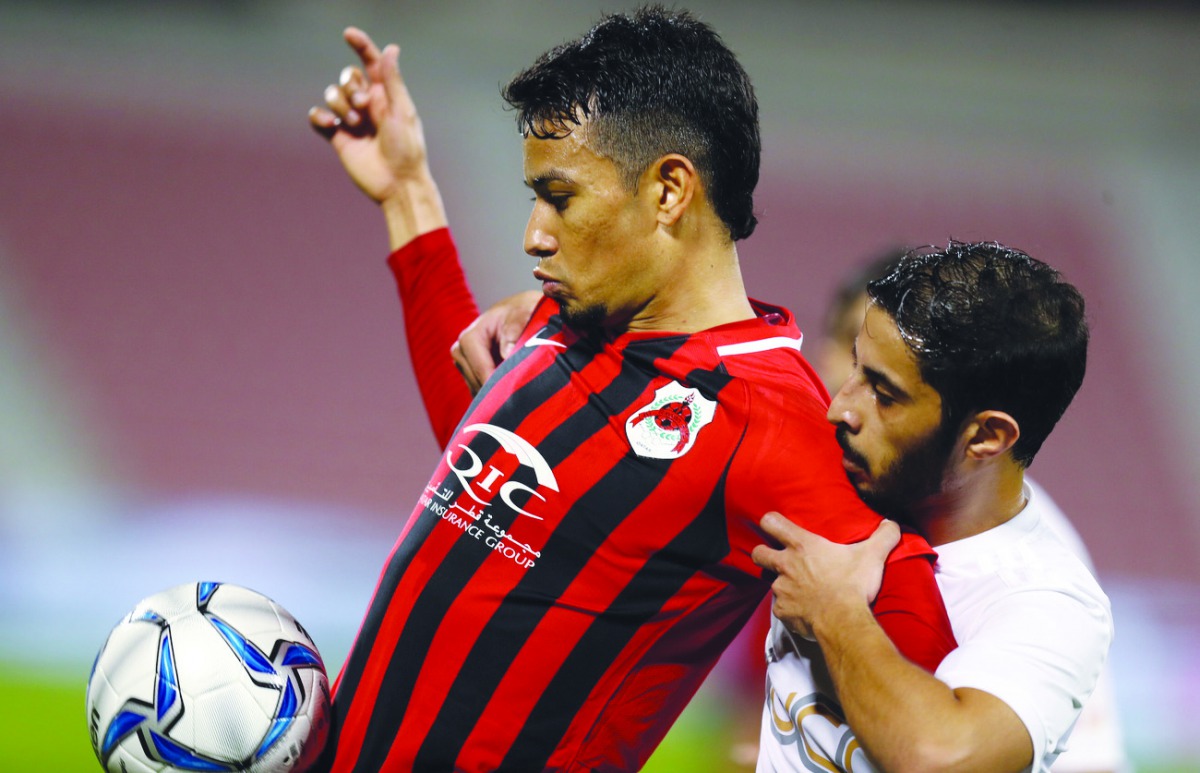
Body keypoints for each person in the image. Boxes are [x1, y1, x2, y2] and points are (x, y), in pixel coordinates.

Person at [306, 8, 955, 772]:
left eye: (561, 197)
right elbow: (488, 464)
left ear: (670, 189)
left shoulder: (770, 423)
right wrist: (407, 193)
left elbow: (934, 689)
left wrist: (854, 616)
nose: (534, 235)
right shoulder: (569, 314)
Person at [751, 242, 1113, 771]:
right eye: (856, 367)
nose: (840, 407)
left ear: (986, 435)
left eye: (885, 393)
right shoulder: (851, 486)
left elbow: (945, 757)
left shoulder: (1048, 602)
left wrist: (835, 611)